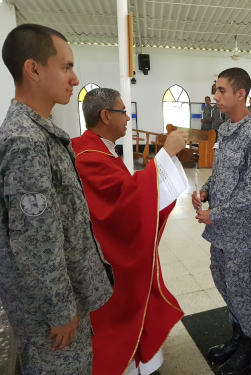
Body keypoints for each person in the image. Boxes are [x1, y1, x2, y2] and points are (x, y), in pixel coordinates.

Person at [0, 24, 113, 374]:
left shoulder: (41, 132)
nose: (75, 78)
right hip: (50, 316)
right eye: (65, 67)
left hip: (61, 302)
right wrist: (61, 312)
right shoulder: (26, 141)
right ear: (33, 69)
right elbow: (36, 242)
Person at [72, 88, 187, 375]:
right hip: (110, 259)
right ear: (106, 115)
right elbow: (125, 201)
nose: (128, 118)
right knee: (126, 311)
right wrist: (165, 154)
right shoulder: (87, 156)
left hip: (108, 253)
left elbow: (127, 192)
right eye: (124, 111)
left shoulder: (98, 149)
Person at [191, 68, 251, 375]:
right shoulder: (227, 128)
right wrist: (204, 190)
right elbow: (223, 174)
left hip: (244, 231)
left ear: (241, 94)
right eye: (215, 90)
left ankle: (249, 350)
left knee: (243, 287)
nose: (216, 96)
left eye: (222, 91)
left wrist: (215, 214)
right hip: (223, 230)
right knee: (223, 279)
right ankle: (238, 335)